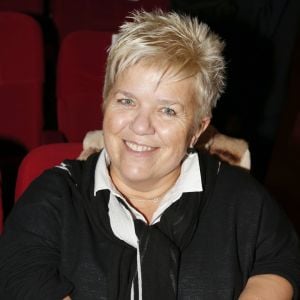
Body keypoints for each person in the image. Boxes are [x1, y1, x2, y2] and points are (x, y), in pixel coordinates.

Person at [0, 10, 299, 300]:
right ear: (105, 103)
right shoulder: (52, 197)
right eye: (127, 101)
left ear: (197, 129)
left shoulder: (243, 200)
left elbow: (279, 263)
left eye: (168, 110)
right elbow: (22, 276)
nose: (141, 126)